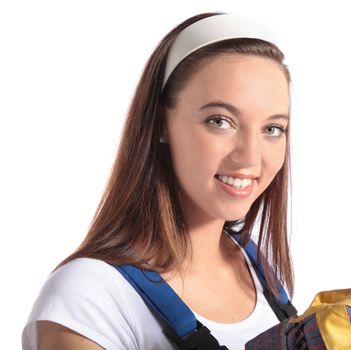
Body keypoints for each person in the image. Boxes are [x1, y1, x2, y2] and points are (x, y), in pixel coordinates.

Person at [22, 12, 295, 350]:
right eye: (220, 121)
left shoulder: (255, 268)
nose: (250, 157)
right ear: (161, 124)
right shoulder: (89, 297)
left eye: (272, 129)